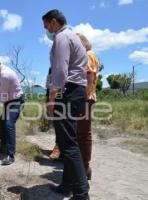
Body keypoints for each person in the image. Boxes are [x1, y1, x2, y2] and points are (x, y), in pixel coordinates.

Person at [43, 9, 90, 200]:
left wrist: (52, 99)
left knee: (68, 144)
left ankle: (81, 193)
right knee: (68, 141)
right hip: (77, 92)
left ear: (54, 22)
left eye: (46, 26)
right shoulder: (74, 37)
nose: (46, 30)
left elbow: (60, 72)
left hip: (67, 92)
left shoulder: (62, 37)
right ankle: (66, 185)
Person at [0, 55, 24, 165]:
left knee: (8, 123)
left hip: (16, 102)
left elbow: (3, 97)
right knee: (2, 122)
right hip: (9, 101)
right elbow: (0, 89)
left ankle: (11, 155)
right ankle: (3, 147)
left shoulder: (4, 74)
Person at [76, 33, 99, 180]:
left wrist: (82, 99)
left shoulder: (88, 54)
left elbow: (89, 78)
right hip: (87, 98)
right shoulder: (90, 55)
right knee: (82, 133)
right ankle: (84, 168)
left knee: (83, 134)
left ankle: (84, 169)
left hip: (86, 98)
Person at [46, 68, 61, 160]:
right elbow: (49, 86)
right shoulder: (52, 68)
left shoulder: (66, 65)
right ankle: (58, 147)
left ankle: (59, 149)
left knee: (62, 126)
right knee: (57, 125)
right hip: (53, 97)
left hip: (63, 99)